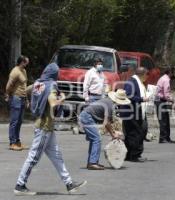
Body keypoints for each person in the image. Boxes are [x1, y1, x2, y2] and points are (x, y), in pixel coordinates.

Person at [14, 63, 86, 196]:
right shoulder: (52, 85)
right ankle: (20, 184)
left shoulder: (38, 83)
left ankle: (69, 184)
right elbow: (53, 103)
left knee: (57, 156)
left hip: (47, 127)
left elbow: (26, 90)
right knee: (33, 157)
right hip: (44, 127)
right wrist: (62, 98)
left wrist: (33, 101)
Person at [79, 89, 130, 170]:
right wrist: (113, 134)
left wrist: (113, 132)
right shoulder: (109, 105)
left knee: (94, 139)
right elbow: (106, 123)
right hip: (87, 117)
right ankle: (92, 163)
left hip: (86, 116)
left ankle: (92, 162)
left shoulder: (109, 102)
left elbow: (108, 122)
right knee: (97, 139)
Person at [122, 66, 149, 162]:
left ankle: (129, 155)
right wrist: (141, 99)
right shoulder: (132, 82)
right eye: (146, 75)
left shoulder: (136, 82)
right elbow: (129, 95)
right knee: (135, 133)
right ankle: (134, 155)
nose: (147, 77)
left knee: (132, 133)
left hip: (133, 112)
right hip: (130, 112)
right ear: (142, 74)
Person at [6, 55, 30, 151]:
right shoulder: (15, 72)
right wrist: (8, 94)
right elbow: (9, 85)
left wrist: (27, 99)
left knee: (19, 121)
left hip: (23, 98)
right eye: (26, 62)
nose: (27, 63)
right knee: (14, 121)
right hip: (16, 98)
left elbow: (24, 86)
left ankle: (17, 141)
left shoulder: (24, 71)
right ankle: (12, 143)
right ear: (22, 62)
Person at [155, 66, 175, 144]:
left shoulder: (162, 78)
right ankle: (163, 138)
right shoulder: (166, 80)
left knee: (165, 119)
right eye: (173, 72)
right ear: (170, 72)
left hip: (160, 100)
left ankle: (166, 137)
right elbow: (166, 94)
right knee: (163, 120)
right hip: (160, 101)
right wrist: (172, 100)